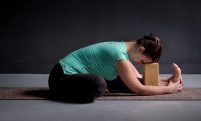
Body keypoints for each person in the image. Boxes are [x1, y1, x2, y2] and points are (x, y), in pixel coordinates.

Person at [48, 33, 183, 102]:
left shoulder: (124, 51)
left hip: (81, 77)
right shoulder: (119, 55)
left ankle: (171, 79)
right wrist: (168, 89)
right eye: (143, 61)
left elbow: (139, 80)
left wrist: (168, 80)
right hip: (61, 77)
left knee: (125, 82)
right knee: (99, 85)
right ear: (141, 50)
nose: (141, 65)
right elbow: (139, 89)